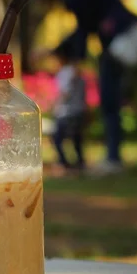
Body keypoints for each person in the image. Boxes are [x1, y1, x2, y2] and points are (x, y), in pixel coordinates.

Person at [38, 0, 137, 174]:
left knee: (110, 102)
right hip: (117, 43)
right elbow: (83, 30)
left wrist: (76, 61)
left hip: (118, 45)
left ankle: (113, 159)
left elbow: (83, 32)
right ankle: (113, 156)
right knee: (112, 102)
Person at [50, 39, 87, 175]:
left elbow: (65, 92)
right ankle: (80, 163)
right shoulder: (77, 72)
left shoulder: (66, 72)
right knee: (76, 138)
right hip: (78, 110)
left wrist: (55, 105)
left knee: (58, 138)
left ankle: (64, 163)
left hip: (66, 111)